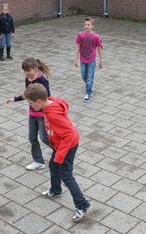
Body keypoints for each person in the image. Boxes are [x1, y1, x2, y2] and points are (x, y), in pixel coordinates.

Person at [24, 83, 91, 222]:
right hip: (60, 144)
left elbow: (69, 135)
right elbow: (63, 102)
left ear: (39, 101)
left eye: (31, 103)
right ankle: (56, 190)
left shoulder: (53, 114)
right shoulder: (50, 102)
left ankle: (82, 204)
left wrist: (60, 156)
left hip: (67, 145)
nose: (31, 106)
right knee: (53, 166)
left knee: (66, 175)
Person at [7, 57, 51, 170]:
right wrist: (15, 99)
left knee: (44, 138)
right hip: (32, 114)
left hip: (42, 115)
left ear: (35, 68)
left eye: (28, 71)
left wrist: (49, 112)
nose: (27, 73)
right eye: (25, 71)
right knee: (32, 137)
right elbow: (27, 94)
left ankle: (61, 151)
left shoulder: (43, 81)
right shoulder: (27, 79)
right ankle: (38, 161)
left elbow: (48, 97)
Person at [74, 17, 103, 102]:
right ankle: (89, 86)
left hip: (91, 60)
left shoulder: (96, 37)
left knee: (89, 78)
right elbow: (77, 47)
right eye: (85, 24)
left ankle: (88, 93)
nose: (86, 26)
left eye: (88, 25)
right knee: (84, 76)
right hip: (83, 59)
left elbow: (99, 48)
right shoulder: (80, 35)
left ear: (92, 26)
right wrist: (76, 59)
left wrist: (101, 60)